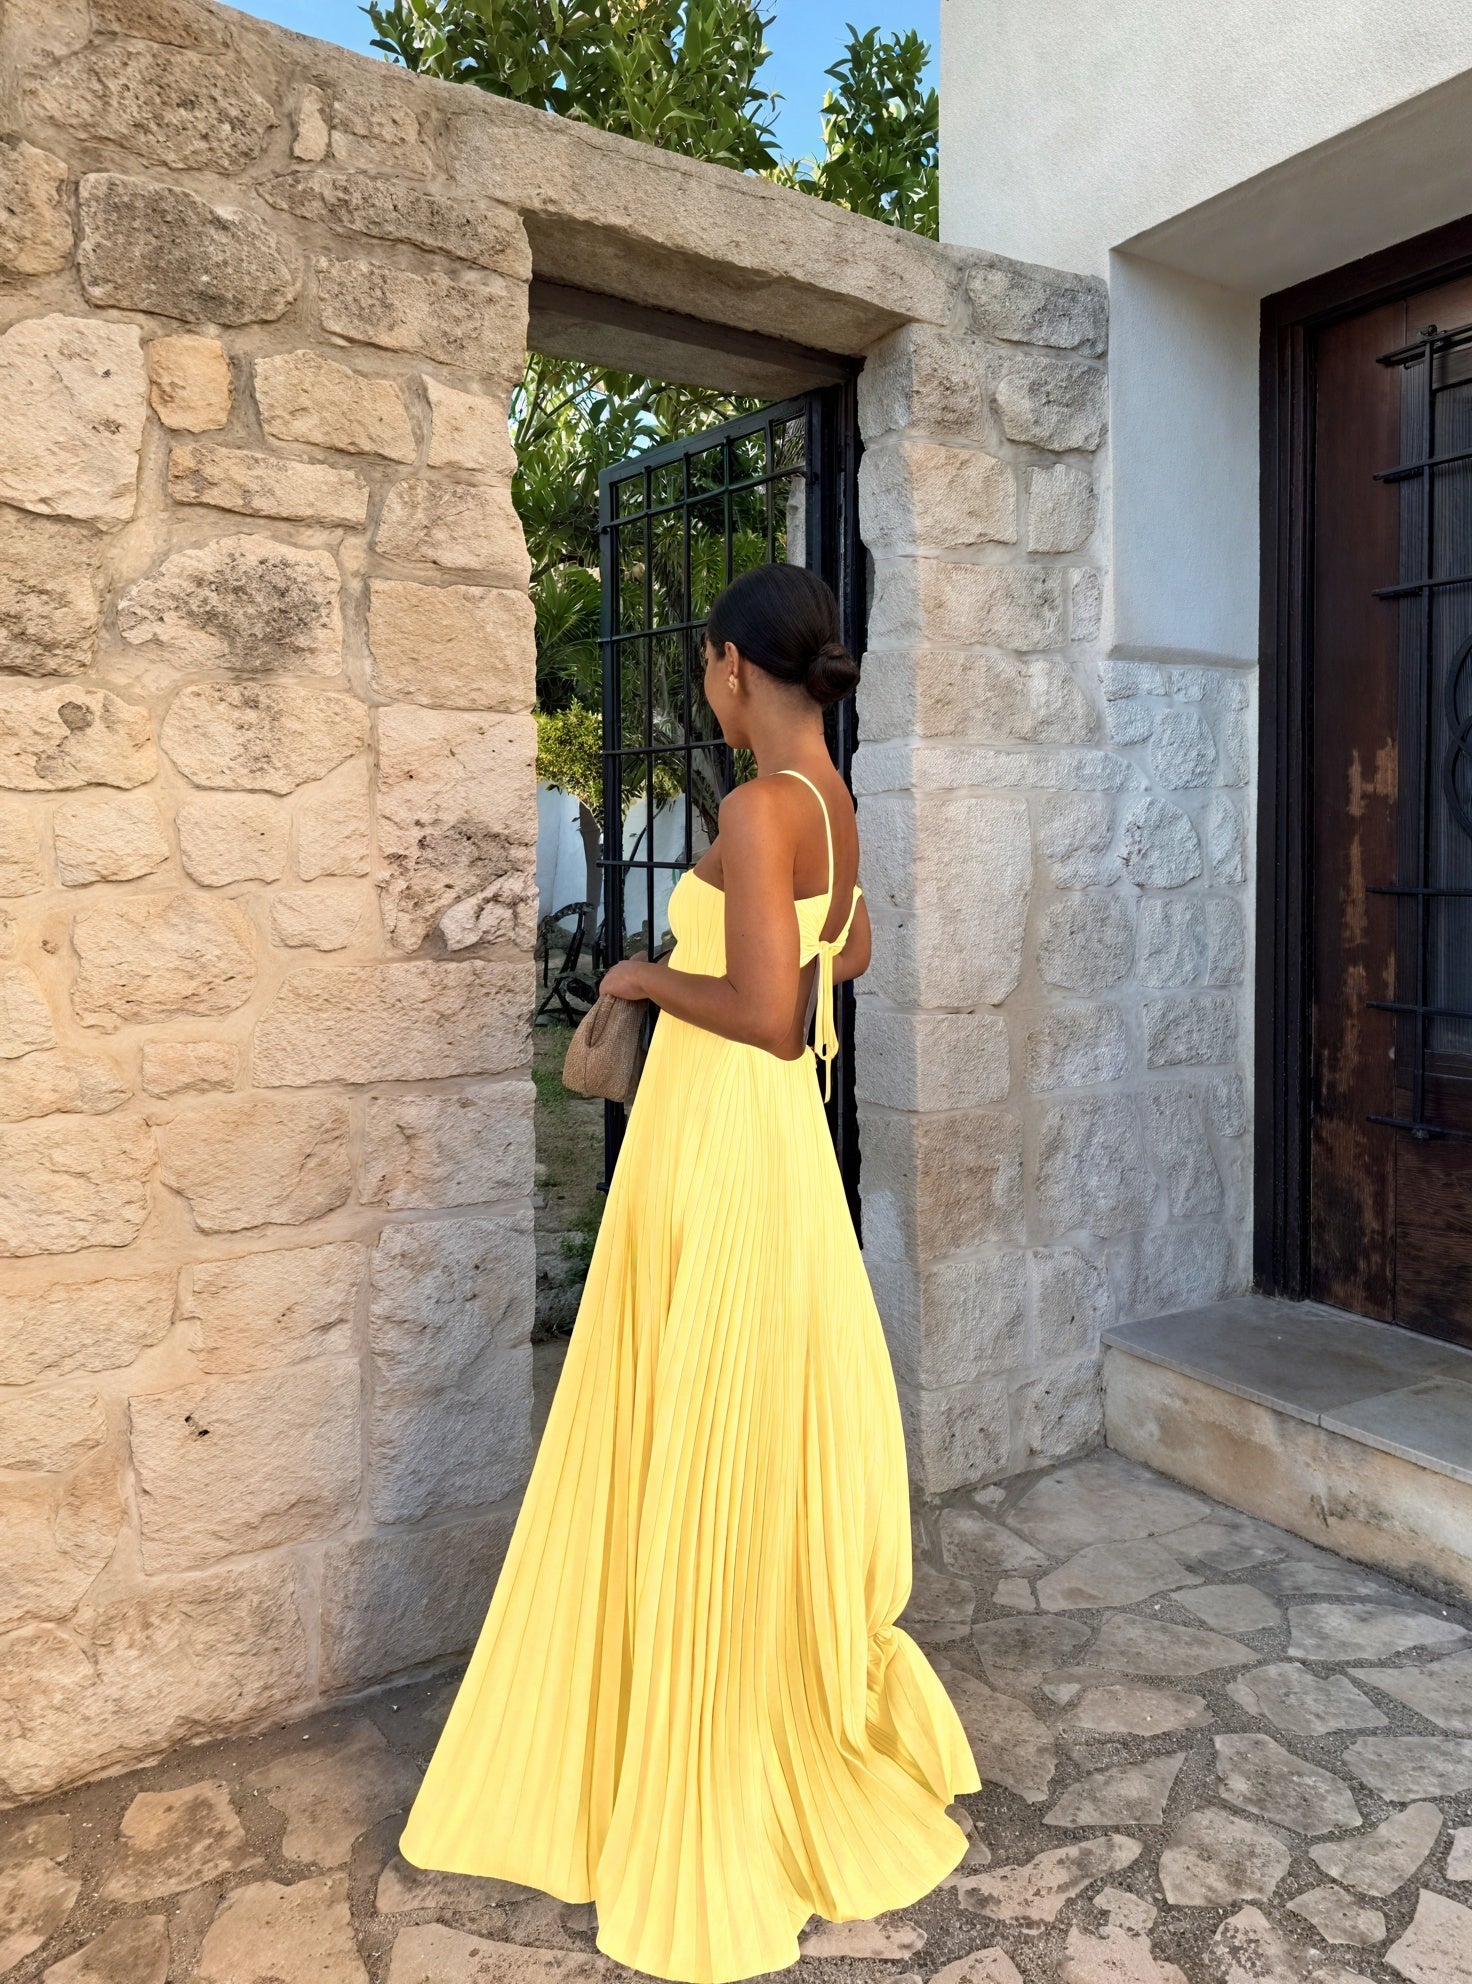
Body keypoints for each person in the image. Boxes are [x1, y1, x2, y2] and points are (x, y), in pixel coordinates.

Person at [398, 562, 981, 1983]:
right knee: (739, 1422)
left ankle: (690, 1725)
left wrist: (643, 977)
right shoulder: (832, 801)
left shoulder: (761, 805)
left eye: (705, 672)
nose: (704, 691)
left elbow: (774, 1016)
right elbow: (851, 956)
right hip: (772, 1153)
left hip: (721, 1141)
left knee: (693, 1418)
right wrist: (748, 961)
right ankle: (737, 1681)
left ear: (730, 664)